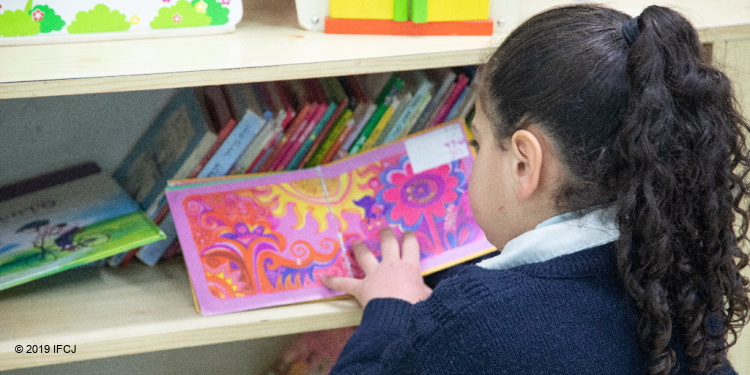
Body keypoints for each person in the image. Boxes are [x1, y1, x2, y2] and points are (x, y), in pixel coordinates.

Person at [321, 4, 750, 374]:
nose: (474, 155)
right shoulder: (680, 269)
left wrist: (389, 309)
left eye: (480, 142)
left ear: (525, 162)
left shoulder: (471, 321)